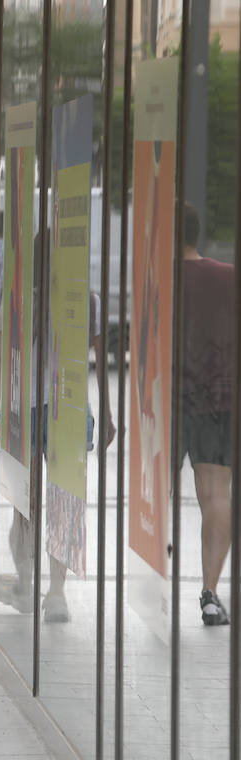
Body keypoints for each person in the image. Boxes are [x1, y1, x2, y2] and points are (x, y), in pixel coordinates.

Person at [179, 202, 235, 626]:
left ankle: (148, 585)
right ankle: (211, 593)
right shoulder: (227, 277)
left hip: (168, 398)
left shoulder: (160, 280)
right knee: (216, 495)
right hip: (217, 396)